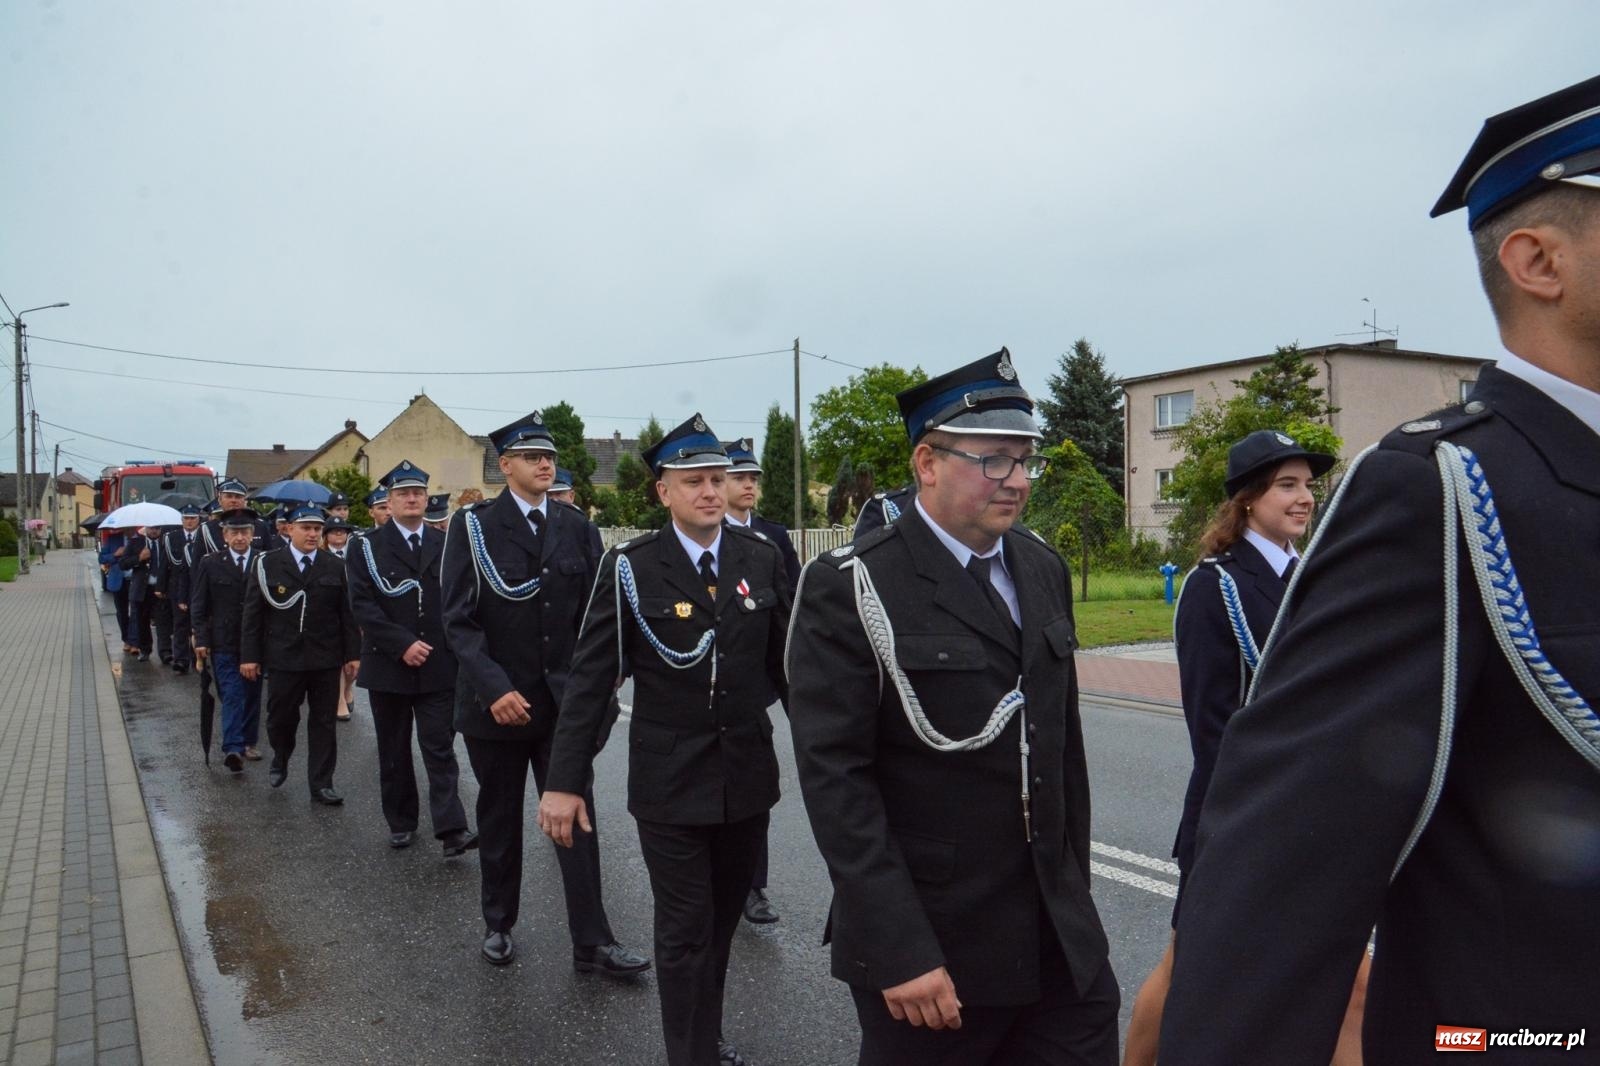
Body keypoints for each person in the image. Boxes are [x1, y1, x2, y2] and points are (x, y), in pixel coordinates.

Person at [1161, 75, 1600, 1063]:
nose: (1299, 494)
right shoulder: (1442, 490)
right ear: (1537, 260)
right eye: (1279, 483)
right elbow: (1280, 866)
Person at [787, 348, 1118, 1066]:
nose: (1019, 480)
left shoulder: (1040, 567)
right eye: (995, 460)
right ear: (928, 464)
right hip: (934, 953)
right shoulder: (852, 586)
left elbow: (1062, 758)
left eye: (1026, 459)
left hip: (1058, 940)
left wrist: (1077, 902)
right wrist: (895, 946)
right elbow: (837, 779)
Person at [539, 414, 791, 1066]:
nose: (712, 491)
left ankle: (704, 1034)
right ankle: (691, 1054)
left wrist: (839, 760)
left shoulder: (759, 558)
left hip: (746, 779)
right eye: (696, 481)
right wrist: (564, 782)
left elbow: (790, 672)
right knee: (682, 930)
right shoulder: (631, 568)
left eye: (719, 478)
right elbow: (591, 681)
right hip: (669, 783)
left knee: (721, 925)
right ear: (664, 493)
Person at [1122, 430, 1358, 1066]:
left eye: (1308, 484)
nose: (1305, 497)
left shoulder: (1310, 577)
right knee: (1183, 976)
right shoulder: (1215, 587)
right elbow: (1213, 731)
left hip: (1312, 819)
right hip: (1240, 822)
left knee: (1348, 985)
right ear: (1249, 499)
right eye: (1288, 484)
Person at [440, 411, 647, 976]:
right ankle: (499, 923)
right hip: (496, 707)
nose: (544, 464)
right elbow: (457, 620)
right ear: (505, 466)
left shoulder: (575, 525)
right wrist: (494, 688)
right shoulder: (472, 526)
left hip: (562, 705)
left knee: (575, 818)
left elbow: (593, 615)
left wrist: (604, 677)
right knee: (501, 817)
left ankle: (593, 942)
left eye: (549, 456)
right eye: (532, 456)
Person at [347, 461, 476, 856]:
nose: (412, 498)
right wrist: (401, 643)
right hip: (389, 665)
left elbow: (461, 598)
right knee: (394, 748)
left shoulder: (446, 542)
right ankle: (401, 822)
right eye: (403, 493)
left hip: (438, 665)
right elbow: (363, 605)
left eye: (418, 492)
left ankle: (452, 828)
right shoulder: (366, 545)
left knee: (439, 747)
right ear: (389, 500)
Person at [720, 437, 800, 927]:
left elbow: (790, 607)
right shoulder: (702, 531)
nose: (749, 485)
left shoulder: (772, 536)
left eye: (754, 478)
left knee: (754, 783)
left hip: (757, 680)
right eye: (740, 477)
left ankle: (754, 887)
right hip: (709, 679)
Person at [240, 504, 361, 804]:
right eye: (305, 528)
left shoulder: (334, 565)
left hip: (325, 656)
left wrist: (352, 654)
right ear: (289, 529)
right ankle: (281, 755)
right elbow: (253, 615)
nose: (312, 534)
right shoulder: (268, 563)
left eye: (317, 529)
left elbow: (346, 614)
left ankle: (321, 783)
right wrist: (249, 656)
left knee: (323, 722)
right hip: (284, 656)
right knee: (281, 718)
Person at [191, 509, 267, 771]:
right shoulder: (210, 563)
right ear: (224, 534)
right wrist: (201, 639)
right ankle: (233, 747)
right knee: (232, 693)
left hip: (256, 642)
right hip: (223, 640)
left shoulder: (263, 561)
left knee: (251, 693)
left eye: (245, 532)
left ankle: (248, 741)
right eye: (234, 532)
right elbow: (199, 605)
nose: (240, 537)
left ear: (252, 534)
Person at [323, 516, 357, 719]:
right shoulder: (321, 555)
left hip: (355, 611)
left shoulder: (355, 554)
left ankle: (347, 688)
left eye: (343, 531)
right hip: (333, 613)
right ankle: (339, 700)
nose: (339, 534)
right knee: (338, 659)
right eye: (334, 531)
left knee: (354, 662)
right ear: (326, 536)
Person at [118, 526, 156, 661]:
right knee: (143, 620)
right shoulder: (136, 542)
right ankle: (145, 649)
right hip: (142, 588)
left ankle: (166, 652)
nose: (154, 531)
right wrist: (139, 558)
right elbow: (123, 563)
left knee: (163, 621)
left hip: (161, 588)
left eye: (157, 528)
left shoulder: (165, 541)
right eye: (152, 528)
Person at [98, 530, 134, 653]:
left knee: (137, 612)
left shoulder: (139, 539)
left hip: (135, 579)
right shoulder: (113, 539)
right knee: (122, 612)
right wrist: (115, 554)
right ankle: (127, 640)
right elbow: (101, 558)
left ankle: (135, 641)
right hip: (119, 580)